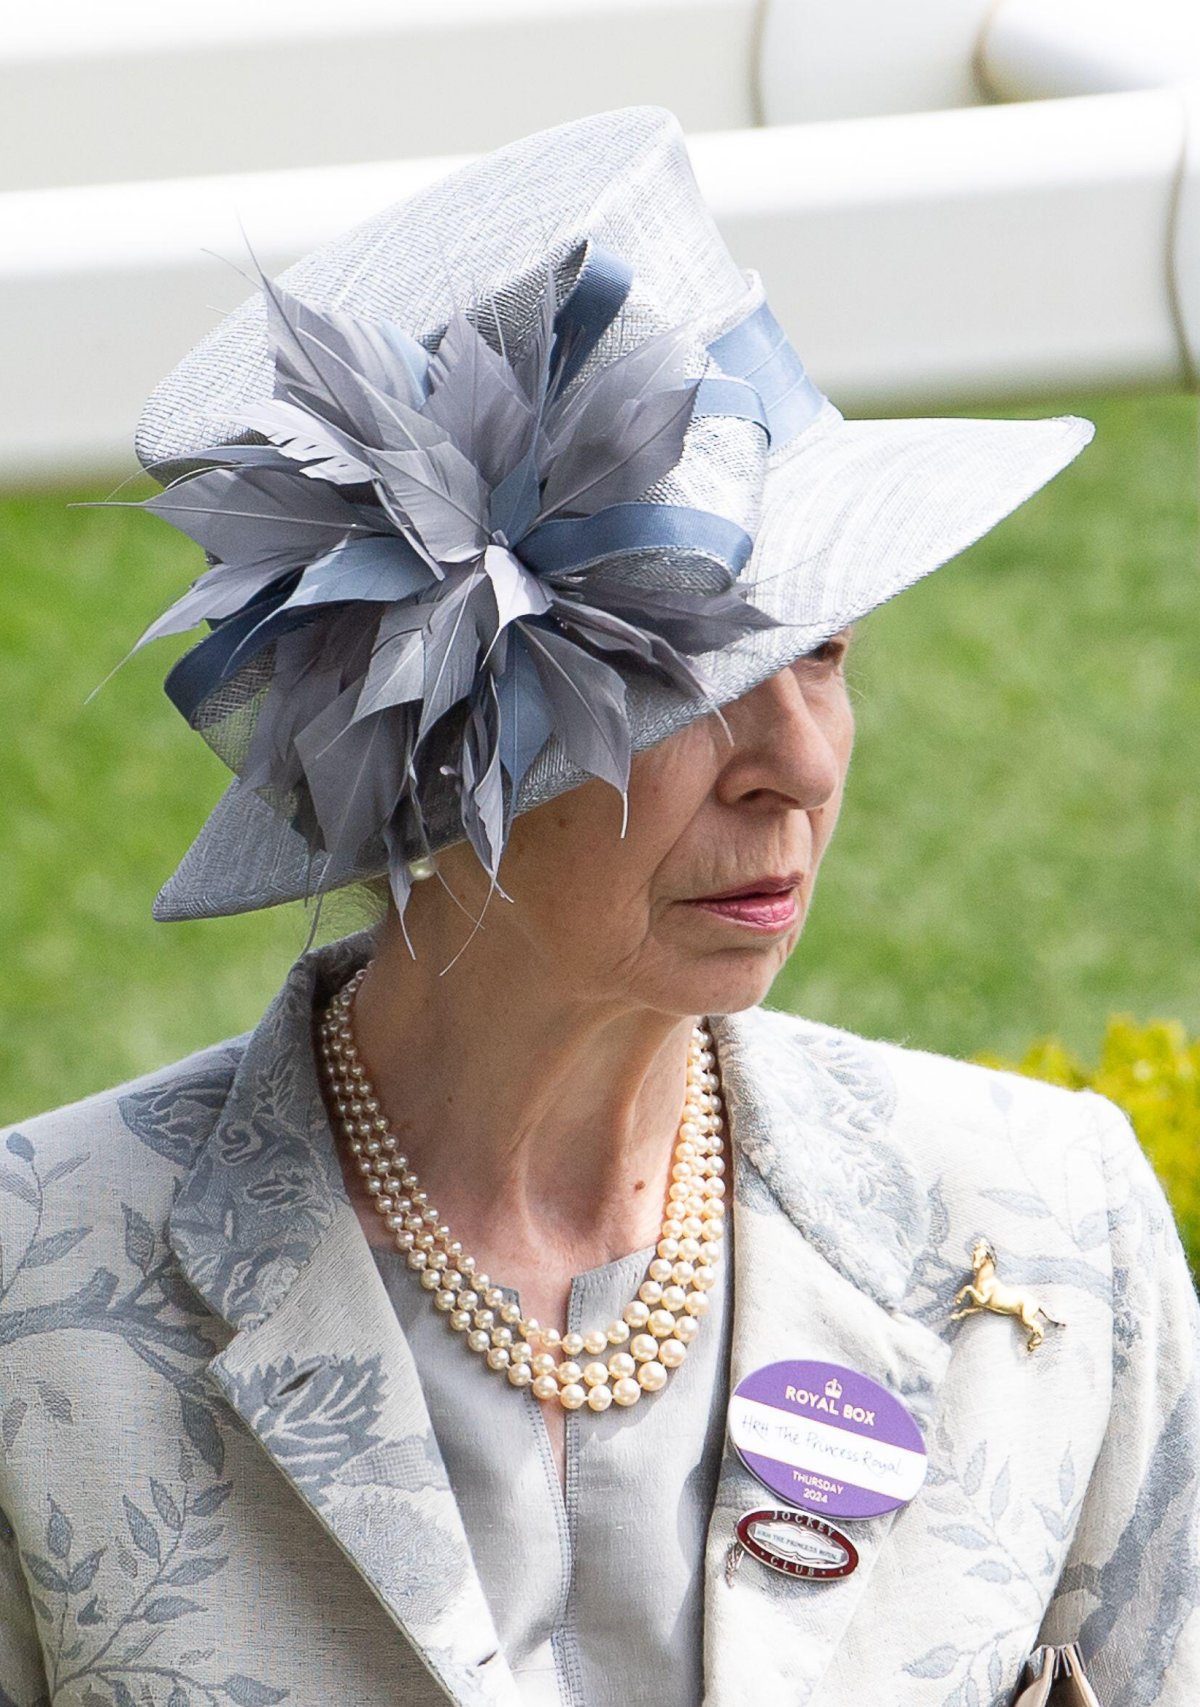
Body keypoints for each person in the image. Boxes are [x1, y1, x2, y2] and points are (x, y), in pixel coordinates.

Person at [1, 107, 1196, 1707]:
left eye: (824, 652)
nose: (797, 762)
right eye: (680, 687)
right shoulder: (35, 1302)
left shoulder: (1051, 1232)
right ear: (430, 764)